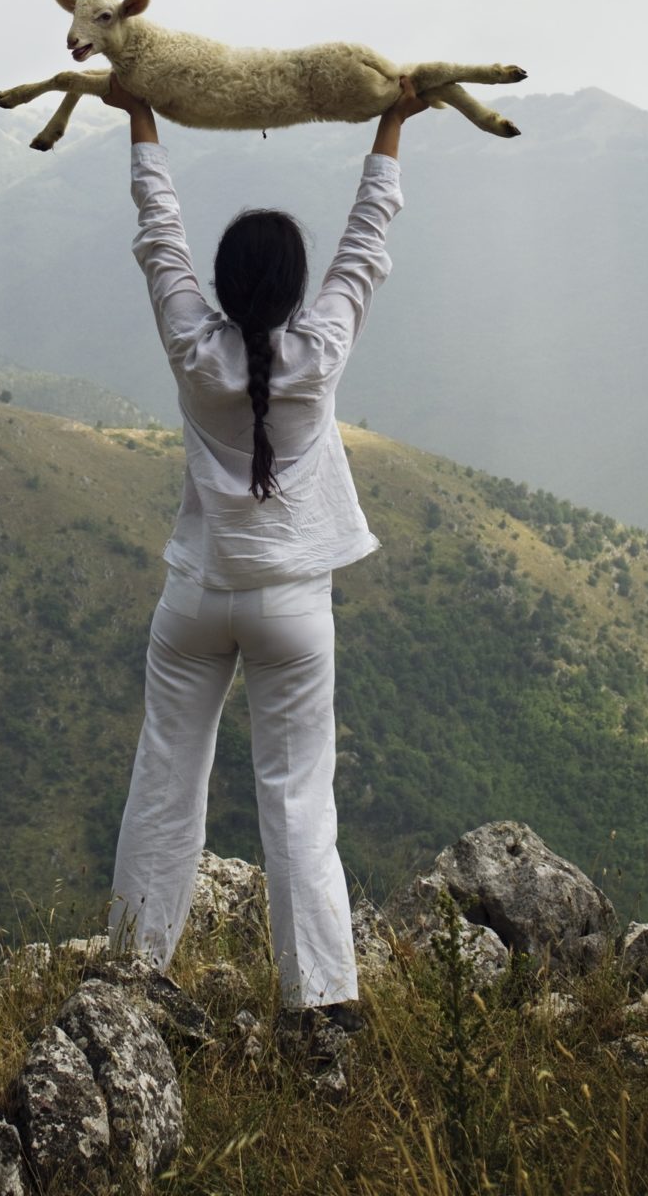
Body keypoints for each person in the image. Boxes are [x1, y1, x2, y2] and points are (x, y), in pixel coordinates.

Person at [102, 74, 425, 1047]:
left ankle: (131, 969)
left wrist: (141, 117)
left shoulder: (193, 349)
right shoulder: (317, 350)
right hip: (290, 603)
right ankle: (319, 1005)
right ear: (291, 291)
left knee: (166, 774)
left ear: (222, 282)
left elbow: (159, 238)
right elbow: (363, 246)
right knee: (295, 797)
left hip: (196, 595)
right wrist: (391, 123)